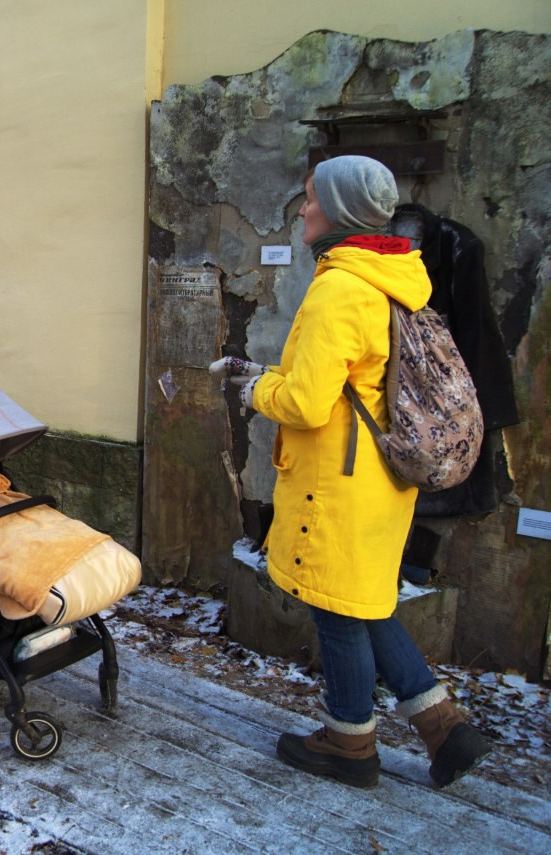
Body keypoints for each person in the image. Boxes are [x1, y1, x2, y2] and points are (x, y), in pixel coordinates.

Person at [210, 155, 491, 789]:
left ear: (337, 210)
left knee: (336, 611)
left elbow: (308, 404)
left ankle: (348, 742)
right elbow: (346, 385)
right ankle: (443, 726)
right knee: (366, 601)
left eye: (311, 199)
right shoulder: (392, 274)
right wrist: (270, 378)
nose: (302, 209)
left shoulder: (340, 286)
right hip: (378, 477)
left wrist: (254, 390)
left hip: (334, 482)